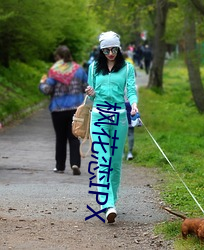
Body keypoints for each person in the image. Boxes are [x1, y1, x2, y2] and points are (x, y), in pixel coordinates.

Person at [85, 31, 138, 223]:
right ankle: (108, 204)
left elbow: (131, 90)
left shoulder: (127, 68)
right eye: (106, 50)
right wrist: (90, 92)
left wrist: (133, 104)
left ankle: (111, 202)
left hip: (120, 119)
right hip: (99, 116)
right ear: (101, 50)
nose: (110, 53)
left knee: (115, 163)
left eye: (114, 49)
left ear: (119, 48)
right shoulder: (93, 68)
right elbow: (91, 97)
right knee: (103, 161)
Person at [39, 45, 88, 175]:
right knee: (74, 137)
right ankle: (75, 163)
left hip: (58, 109)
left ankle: (60, 166)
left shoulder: (54, 71)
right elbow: (86, 87)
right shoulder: (79, 70)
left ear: (58, 57)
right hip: (75, 109)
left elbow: (47, 90)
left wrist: (42, 83)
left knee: (60, 138)